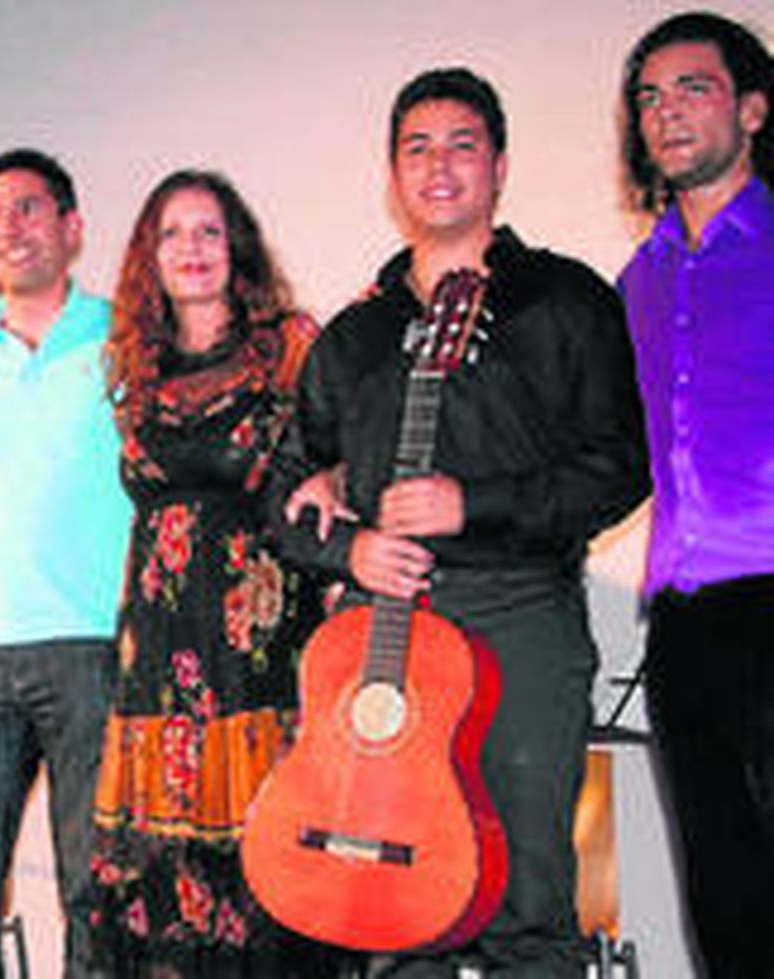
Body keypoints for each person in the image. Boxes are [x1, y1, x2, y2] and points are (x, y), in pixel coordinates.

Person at [283, 69, 649, 976]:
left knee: (527, 902)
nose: (438, 166)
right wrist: (350, 546)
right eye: (417, 147)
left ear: (500, 165)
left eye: (462, 145)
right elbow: (284, 495)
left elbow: (618, 467)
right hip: (386, 629)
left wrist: (471, 503)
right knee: (394, 908)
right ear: (391, 172)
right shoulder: (353, 337)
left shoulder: (565, 300)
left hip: (520, 616)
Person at [87, 170, 332, 977]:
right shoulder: (133, 370)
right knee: (156, 885)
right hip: (153, 656)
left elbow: (340, 461)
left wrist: (336, 482)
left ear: (239, 249)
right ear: (147, 257)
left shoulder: (294, 348)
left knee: (269, 868)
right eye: (171, 233)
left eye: (208, 231)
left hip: (258, 657)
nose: (190, 249)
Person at [0, 147, 133, 978]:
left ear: (71, 228)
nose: (11, 226)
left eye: (29, 207)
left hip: (88, 648)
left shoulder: (124, 344)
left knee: (95, 895)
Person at [617, 13, 774, 977]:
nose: (666, 111)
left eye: (693, 87)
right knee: (724, 897)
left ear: (753, 109)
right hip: (682, 619)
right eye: (648, 96)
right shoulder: (639, 277)